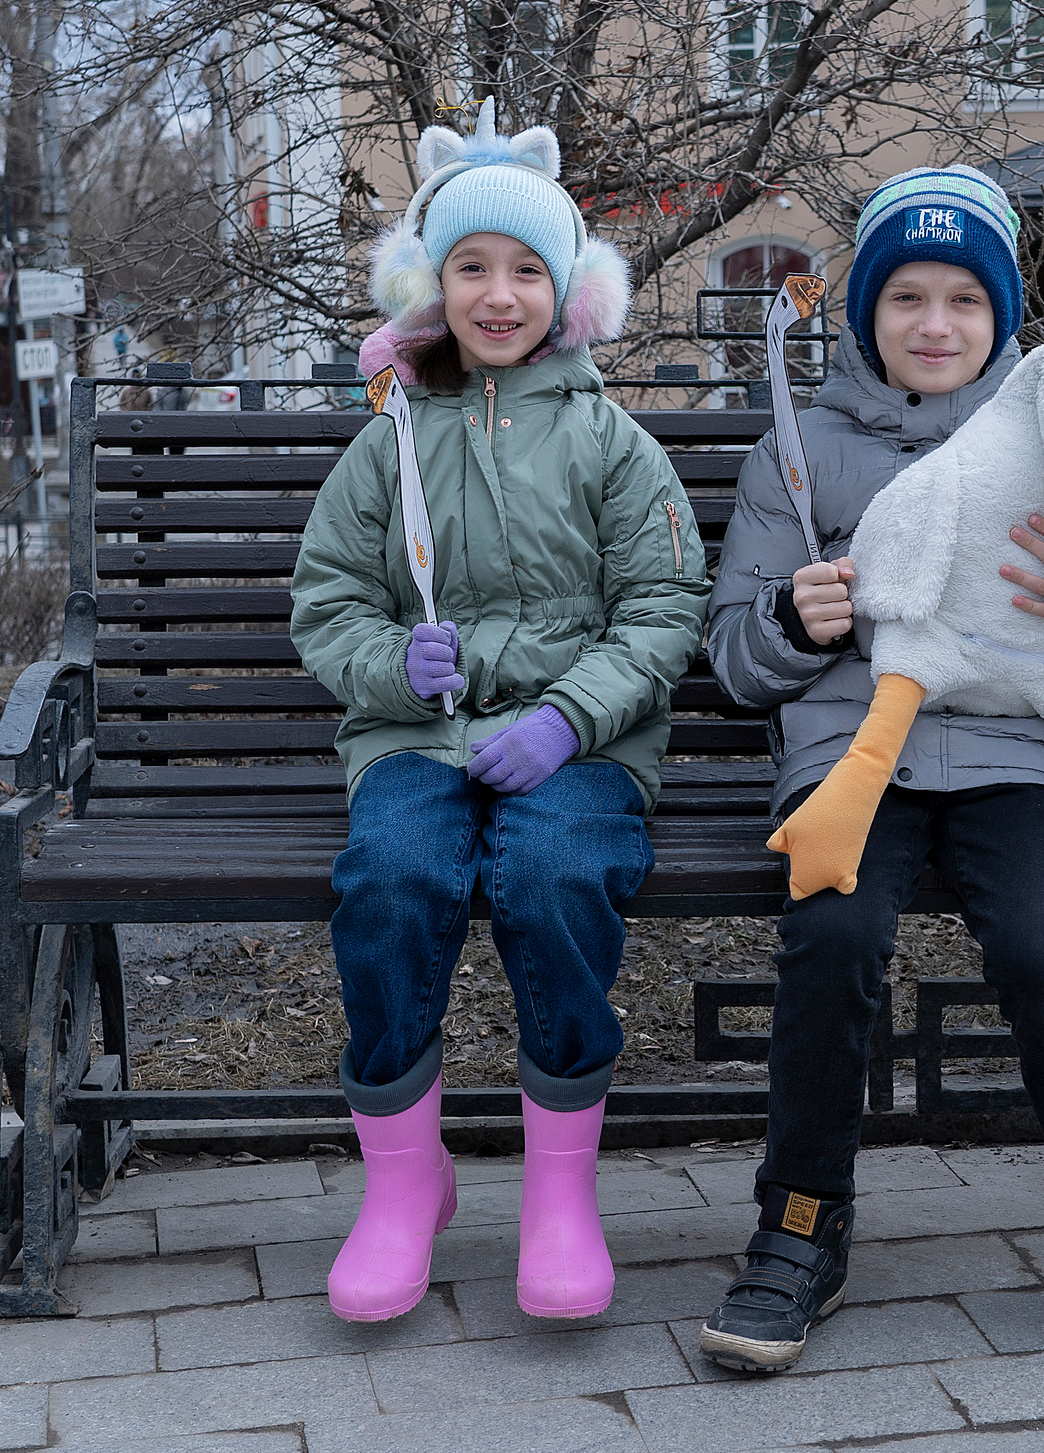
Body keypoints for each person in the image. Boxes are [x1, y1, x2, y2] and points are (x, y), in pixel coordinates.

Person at [698, 165, 1044, 1379]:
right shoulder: (798, 454)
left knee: (1042, 946)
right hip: (847, 762)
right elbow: (729, 658)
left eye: (964, 299)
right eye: (906, 296)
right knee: (834, 937)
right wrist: (791, 619)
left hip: (1014, 755)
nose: (934, 325)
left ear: (1001, 315)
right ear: (864, 313)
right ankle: (800, 1222)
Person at [289, 104, 707, 1325]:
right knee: (392, 881)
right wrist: (389, 667)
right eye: (470, 266)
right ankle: (405, 1184)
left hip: (576, 746)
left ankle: (560, 1191)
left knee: (557, 878)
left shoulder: (614, 443)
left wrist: (575, 719)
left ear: (569, 291)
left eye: (527, 269)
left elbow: (662, 603)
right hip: (419, 738)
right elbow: (328, 599)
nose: (498, 293)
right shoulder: (389, 441)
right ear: (433, 282)